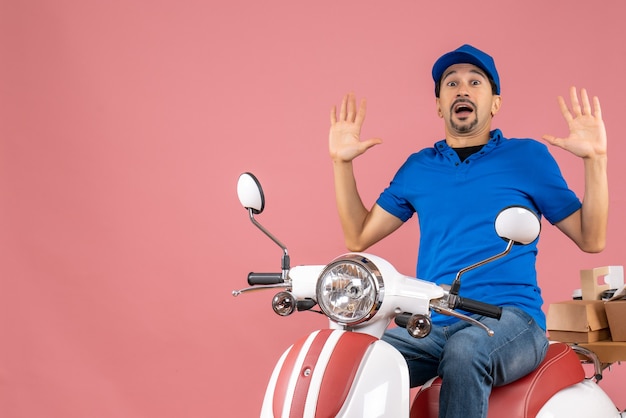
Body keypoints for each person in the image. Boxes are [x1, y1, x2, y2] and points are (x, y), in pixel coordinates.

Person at [328, 44, 608, 418]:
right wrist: (341, 164)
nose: (462, 89)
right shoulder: (419, 168)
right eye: (451, 83)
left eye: (475, 82)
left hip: (510, 321)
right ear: (439, 105)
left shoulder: (528, 158)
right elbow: (359, 237)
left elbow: (591, 239)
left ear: (494, 103)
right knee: (358, 359)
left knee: (466, 350)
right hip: (433, 323)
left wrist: (596, 160)